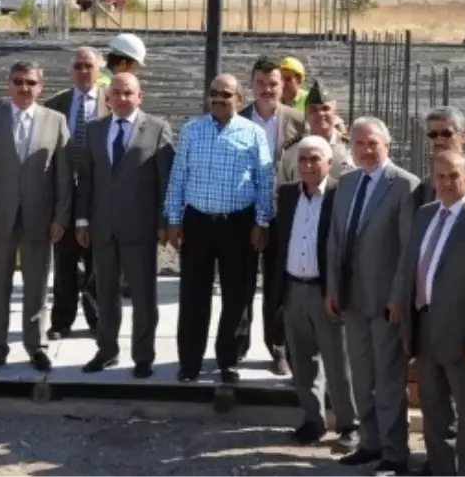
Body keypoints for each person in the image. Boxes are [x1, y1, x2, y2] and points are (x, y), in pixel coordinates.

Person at [396, 151, 465, 477]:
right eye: (440, 176)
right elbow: (411, 270)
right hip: (426, 329)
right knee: (434, 415)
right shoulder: (424, 214)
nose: (446, 183)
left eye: (453, 176)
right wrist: (408, 327)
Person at [163, 73, 274, 384]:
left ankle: (229, 359)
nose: (218, 99)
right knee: (193, 295)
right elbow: (178, 177)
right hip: (198, 222)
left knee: (237, 295)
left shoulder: (253, 134)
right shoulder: (191, 131)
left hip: (238, 224)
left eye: (226, 94)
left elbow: (264, 181)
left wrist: (262, 222)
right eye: (213, 93)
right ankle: (189, 363)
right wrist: (173, 218)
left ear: (239, 99)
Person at [325, 116, 420, 474]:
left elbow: (408, 249)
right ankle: (370, 443)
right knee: (362, 377)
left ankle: (395, 454)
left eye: (372, 144)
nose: (365, 150)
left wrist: (399, 297)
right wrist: (332, 288)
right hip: (351, 299)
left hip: (385, 303)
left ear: (387, 144)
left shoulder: (404, 185)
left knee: (389, 380)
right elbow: (335, 239)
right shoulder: (347, 183)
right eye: (359, 143)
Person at [0, 61, 71, 374]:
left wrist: (61, 217)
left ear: (40, 86)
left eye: (30, 82)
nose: (24, 88)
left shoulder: (56, 121)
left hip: (39, 219)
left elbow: (63, 177)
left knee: (37, 287)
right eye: (18, 82)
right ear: (8, 84)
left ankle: (36, 346)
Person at [262, 136, 358, 453]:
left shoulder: (339, 194)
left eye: (315, 159)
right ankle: (312, 421)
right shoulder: (288, 194)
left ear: (329, 164)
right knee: (301, 363)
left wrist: (339, 290)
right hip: (293, 288)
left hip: (324, 291)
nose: (307, 165)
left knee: (336, 363)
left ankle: (349, 425)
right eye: (302, 159)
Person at [75, 73, 174, 378]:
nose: (121, 98)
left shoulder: (158, 129)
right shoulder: (94, 130)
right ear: (108, 98)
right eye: (115, 93)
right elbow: (87, 180)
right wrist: (82, 219)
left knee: (144, 297)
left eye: (128, 93)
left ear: (139, 96)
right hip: (103, 228)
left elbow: (166, 181)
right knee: (105, 294)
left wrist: (164, 223)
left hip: (141, 228)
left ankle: (143, 356)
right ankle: (106, 351)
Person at [238, 56, 305, 370]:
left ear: (284, 86)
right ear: (251, 85)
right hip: (243, 214)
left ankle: (278, 348)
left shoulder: (298, 121)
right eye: (261, 84)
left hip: (283, 216)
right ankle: (236, 344)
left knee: (277, 284)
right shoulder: (236, 120)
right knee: (240, 280)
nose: (267, 90)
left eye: (273, 84)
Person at [45, 46, 106, 339]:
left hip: (100, 198)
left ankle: (97, 319)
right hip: (65, 196)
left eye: (89, 65)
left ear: (100, 69)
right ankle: (61, 321)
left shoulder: (113, 101)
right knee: (64, 262)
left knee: (99, 262)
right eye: (79, 66)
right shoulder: (56, 104)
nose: (84, 71)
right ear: (71, 70)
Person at [277, 81, 352, 185]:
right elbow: (282, 191)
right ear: (306, 114)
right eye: (313, 110)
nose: (320, 114)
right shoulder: (292, 151)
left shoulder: (350, 149)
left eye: (325, 109)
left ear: (335, 113)